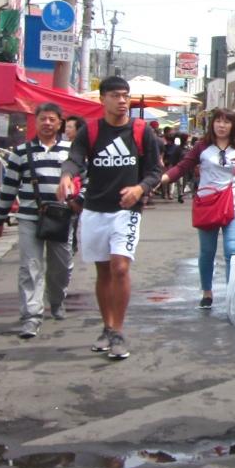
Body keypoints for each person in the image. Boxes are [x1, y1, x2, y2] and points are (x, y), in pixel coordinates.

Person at [58, 75, 164, 361]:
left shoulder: (141, 131)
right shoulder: (91, 131)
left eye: (125, 96)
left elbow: (155, 170)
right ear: (102, 99)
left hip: (127, 211)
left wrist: (140, 188)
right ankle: (107, 327)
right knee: (103, 271)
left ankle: (118, 330)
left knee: (120, 267)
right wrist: (66, 176)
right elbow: (75, 158)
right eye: (116, 96)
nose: (122, 101)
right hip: (94, 209)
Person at [157, 108, 235, 309]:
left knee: (232, 250)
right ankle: (207, 292)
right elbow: (183, 167)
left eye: (227, 122)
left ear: (233, 126)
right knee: (207, 251)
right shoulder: (202, 146)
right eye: (218, 121)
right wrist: (162, 179)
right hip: (208, 203)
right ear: (212, 123)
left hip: (234, 203)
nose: (222, 125)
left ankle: (231, 295)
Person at [0, 102, 74, 339]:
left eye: (52, 119)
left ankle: (57, 300)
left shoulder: (71, 152)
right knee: (30, 266)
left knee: (62, 266)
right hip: (30, 217)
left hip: (61, 218)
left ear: (60, 123)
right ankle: (31, 316)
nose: (47, 123)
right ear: (35, 122)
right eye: (42, 119)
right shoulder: (21, 152)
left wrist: (78, 200)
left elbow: (85, 180)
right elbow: (9, 187)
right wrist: (0, 218)